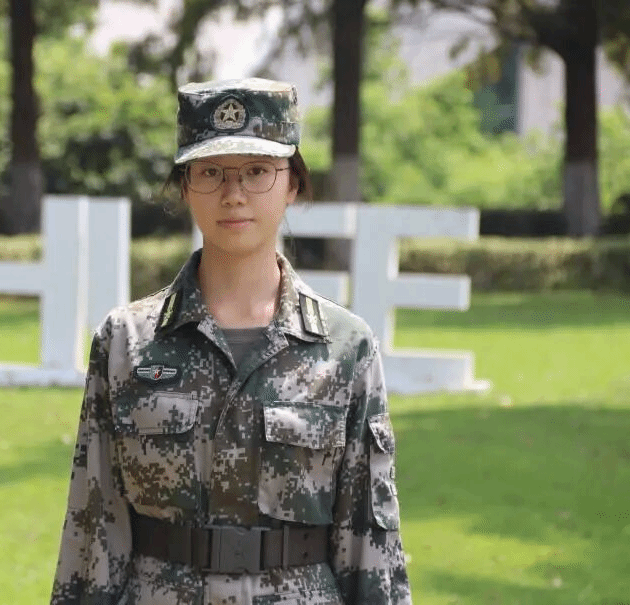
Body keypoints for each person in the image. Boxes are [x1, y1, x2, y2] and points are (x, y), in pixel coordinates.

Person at [51, 78, 411, 605]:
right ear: (185, 186)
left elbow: (371, 539)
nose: (234, 194)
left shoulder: (344, 347)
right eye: (211, 172)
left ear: (293, 184)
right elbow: (93, 523)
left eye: (257, 171)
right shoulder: (127, 341)